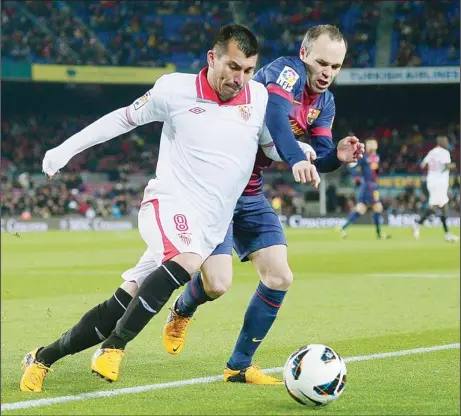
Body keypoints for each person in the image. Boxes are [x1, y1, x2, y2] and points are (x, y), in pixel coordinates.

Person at [19, 23, 319, 392]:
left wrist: (300, 152)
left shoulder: (257, 97)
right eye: (233, 67)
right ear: (213, 58)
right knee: (189, 260)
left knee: (124, 301)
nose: (239, 78)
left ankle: (42, 357)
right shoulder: (174, 89)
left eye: (248, 70)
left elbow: (271, 146)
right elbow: (122, 118)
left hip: (212, 222)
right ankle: (113, 347)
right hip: (169, 203)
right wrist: (64, 150)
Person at [159, 24, 364, 384]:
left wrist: (338, 158)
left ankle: (238, 365)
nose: (327, 73)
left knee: (280, 276)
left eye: (335, 67)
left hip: (250, 191)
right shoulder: (286, 71)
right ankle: (181, 309)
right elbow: (273, 118)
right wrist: (295, 158)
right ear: (304, 55)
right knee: (218, 284)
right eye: (321, 63)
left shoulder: (325, 102)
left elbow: (319, 156)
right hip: (216, 190)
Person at [340, 138, 390, 239]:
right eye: (372, 144)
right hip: (367, 186)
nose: (374, 145)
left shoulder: (376, 157)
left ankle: (343, 228)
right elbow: (352, 167)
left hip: (374, 186)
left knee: (364, 209)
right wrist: (356, 177)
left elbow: (375, 172)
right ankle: (379, 234)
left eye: (375, 143)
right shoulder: (364, 157)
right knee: (373, 208)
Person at [413, 135, 459, 242]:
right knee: (435, 206)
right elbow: (447, 166)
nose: (447, 143)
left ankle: (447, 233)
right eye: (446, 141)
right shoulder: (444, 153)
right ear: (441, 142)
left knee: (443, 206)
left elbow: (422, 165)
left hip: (431, 181)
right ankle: (418, 223)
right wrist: (454, 165)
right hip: (439, 183)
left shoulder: (432, 152)